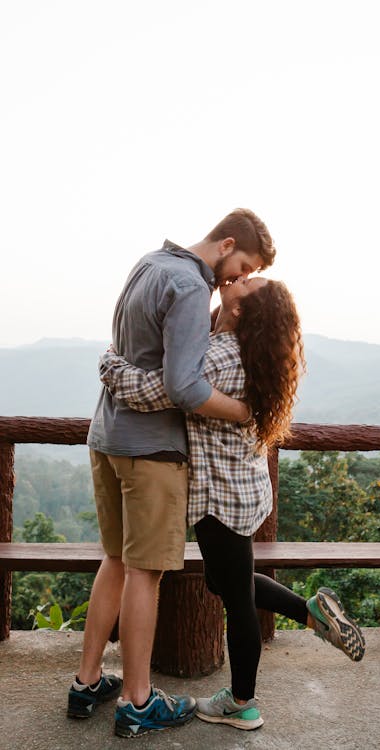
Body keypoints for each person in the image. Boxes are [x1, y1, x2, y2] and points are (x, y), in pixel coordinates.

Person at [99, 275, 366, 732]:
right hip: (243, 490)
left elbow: (151, 392)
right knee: (227, 582)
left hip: (220, 497)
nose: (242, 276)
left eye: (250, 282)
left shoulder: (222, 357)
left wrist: (109, 363)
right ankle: (312, 612)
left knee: (236, 598)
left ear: (243, 311)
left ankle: (242, 702)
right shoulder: (240, 346)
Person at [67, 209, 276, 739]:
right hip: (153, 450)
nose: (236, 279)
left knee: (114, 560)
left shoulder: (150, 263)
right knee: (145, 573)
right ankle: (137, 702)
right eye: (243, 266)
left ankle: (86, 681)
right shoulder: (190, 287)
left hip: (107, 435)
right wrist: (246, 412)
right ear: (228, 243)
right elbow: (183, 387)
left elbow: (135, 351)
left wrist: (112, 367)